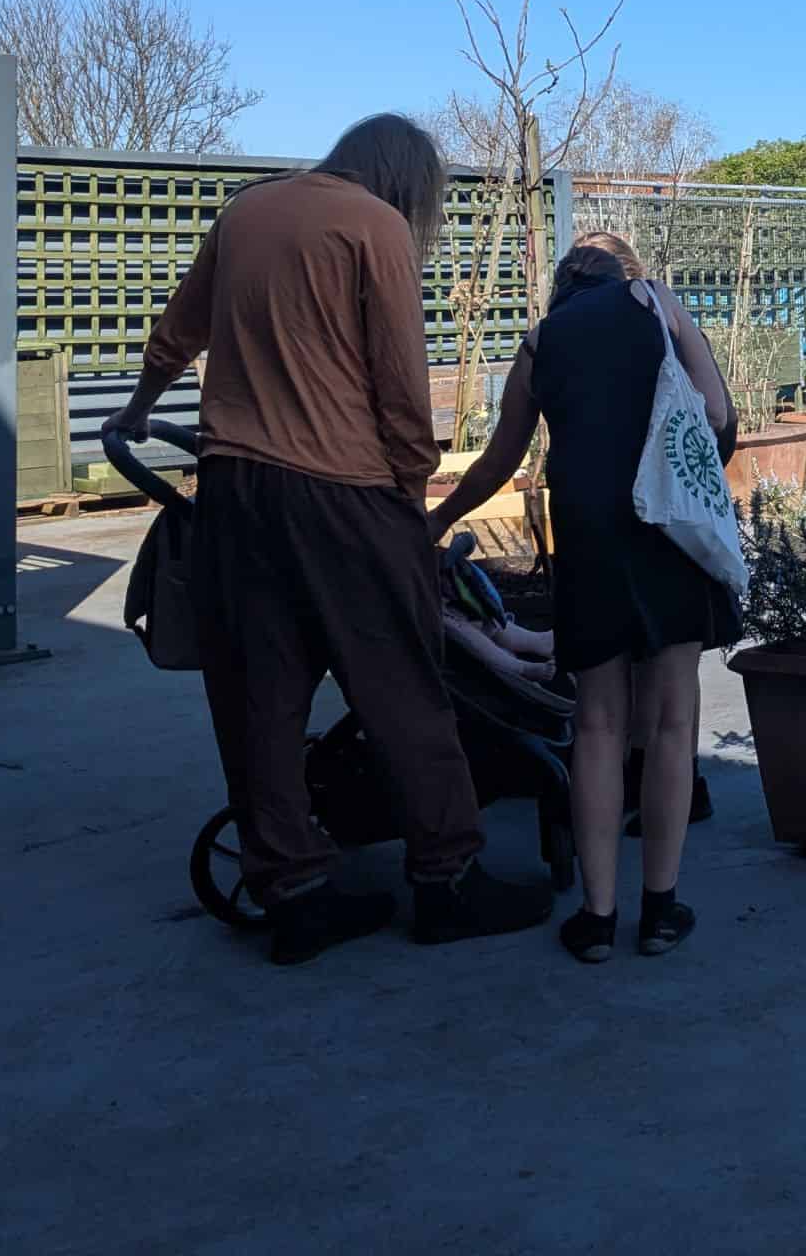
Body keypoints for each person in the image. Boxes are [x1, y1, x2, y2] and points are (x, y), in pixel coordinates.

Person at [109, 114, 553, 966]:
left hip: (235, 492)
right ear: (405, 182)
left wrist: (137, 407)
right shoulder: (375, 226)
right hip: (343, 495)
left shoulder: (246, 213)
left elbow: (177, 331)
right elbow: (399, 380)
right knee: (402, 684)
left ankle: (295, 894)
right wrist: (411, 496)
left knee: (257, 697)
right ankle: (446, 879)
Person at [432, 232, 738, 962]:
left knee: (599, 725)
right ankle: (659, 911)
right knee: (669, 722)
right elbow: (721, 421)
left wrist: (438, 520)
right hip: (670, 534)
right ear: (625, 273)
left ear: (561, 287)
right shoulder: (657, 304)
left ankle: (597, 919)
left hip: (591, 540)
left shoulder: (542, 341)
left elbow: (502, 458)